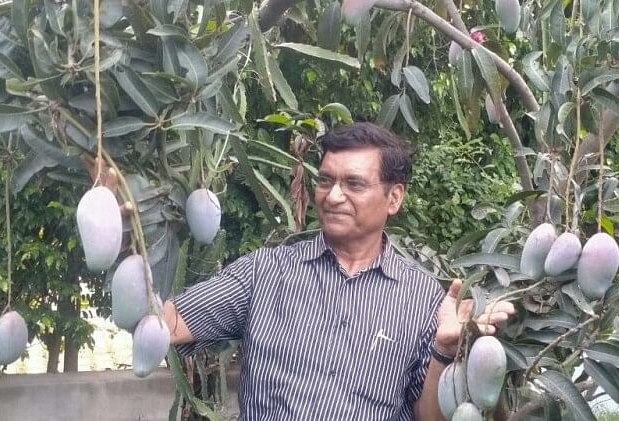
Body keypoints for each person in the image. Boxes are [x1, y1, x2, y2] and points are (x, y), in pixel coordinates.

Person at [158, 122, 515, 420]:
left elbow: (429, 417)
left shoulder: (422, 301)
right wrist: (131, 226)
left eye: (354, 184)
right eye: (325, 181)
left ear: (394, 198)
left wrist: (444, 349)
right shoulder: (264, 274)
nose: (333, 196)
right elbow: (165, 323)